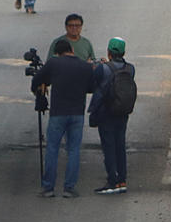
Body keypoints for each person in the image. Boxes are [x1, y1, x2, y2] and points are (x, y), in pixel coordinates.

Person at [34, 36, 93, 198]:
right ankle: (69, 188)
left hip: (58, 113)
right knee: (73, 150)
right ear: (72, 50)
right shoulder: (84, 66)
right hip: (77, 113)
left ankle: (48, 187)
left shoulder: (54, 63)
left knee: (52, 149)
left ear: (57, 53)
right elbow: (91, 87)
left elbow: (37, 78)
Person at [88, 37, 135, 195]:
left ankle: (112, 181)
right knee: (120, 145)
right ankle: (122, 180)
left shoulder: (103, 69)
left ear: (108, 52)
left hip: (106, 112)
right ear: (123, 52)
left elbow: (94, 83)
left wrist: (99, 66)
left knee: (108, 146)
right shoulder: (130, 68)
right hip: (123, 111)